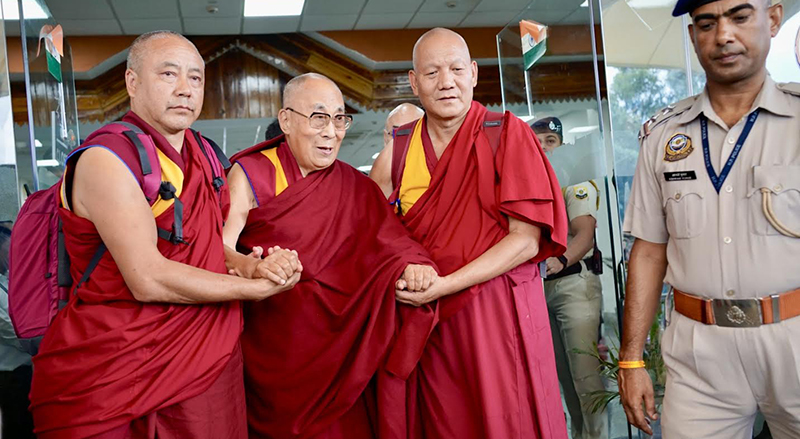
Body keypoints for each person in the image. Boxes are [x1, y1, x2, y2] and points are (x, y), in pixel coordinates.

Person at [29, 31, 300, 439]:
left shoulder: (205, 154)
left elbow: (207, 246)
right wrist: (253, 290)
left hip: (204, 355)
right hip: (115, 362)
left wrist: (251, 265)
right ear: (132, 82)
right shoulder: (107, 158)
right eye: (168, 74)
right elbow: (147, 278)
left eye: (195, 78)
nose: (184, 90)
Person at [371, 27, 569, 439]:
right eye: (432, 73)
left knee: (508, 419)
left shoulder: (506, 133)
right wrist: (409, 271)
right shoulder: (400, 150)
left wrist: (444, 284)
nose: (447, 82)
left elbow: (526, 240)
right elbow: (374, 231)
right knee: (446, 422)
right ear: (413, 81)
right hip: (431, 322)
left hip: (497, 313)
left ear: (474, 73)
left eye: (457, 69)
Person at [619, 1, 800, 438]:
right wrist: (630, 358)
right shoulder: (663, 136)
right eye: (706, 23)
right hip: (700, 354)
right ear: (693, 35)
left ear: (772, 19)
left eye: (740, 17)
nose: (723, 36)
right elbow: (648, 251)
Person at [223, 72, 439, 439]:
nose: (331, 131)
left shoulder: (357, 187)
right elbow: (219, 248)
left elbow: (389, 242)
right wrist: (253, 265)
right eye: (319, 117)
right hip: (277, 343)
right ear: (287, 120)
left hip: (344, 347)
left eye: (340, 118)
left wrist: (412, 265)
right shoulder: (251, 173)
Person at [533, 117, 607, 439]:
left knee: (586, 379)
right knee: (563, 378)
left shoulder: (574, 181)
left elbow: (584, 235)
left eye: (551, 140)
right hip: (541, 290)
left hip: (574, 285)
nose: (545, 147)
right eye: (538, 141)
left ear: (561, 145)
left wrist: (559, 260)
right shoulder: (531, 184)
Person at [0, 223, 36, 439]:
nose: (11, 256)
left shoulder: (7, 279)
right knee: (17, 426)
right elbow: (10, 330)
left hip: (26, 369)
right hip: (9, 374)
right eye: (7, 250)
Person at [370, 103, 425, 197]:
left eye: (413, 133)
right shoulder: (379, 173)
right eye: (398, 134)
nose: (404, 142)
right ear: (385, 137)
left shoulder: (439, 167)